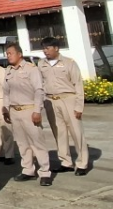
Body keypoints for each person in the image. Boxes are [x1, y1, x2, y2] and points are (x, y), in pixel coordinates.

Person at [38, 37, 90, 175]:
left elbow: (78, 84)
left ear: (56, 48)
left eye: (48, 48)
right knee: (59, 132)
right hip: (51, 100)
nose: (45, 51)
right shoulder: (41, 64)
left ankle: (82, 163)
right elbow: (40, 84)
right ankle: (65, 161)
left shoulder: (69, 63)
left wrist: (79, 106)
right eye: (44, 48)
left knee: (76, 132)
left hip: (68, 99)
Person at [3, 42, 52, 186]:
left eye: (11, 53)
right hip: (14, 111)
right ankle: (28, 170)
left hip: (29, 109)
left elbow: (39, 90)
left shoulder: (31, 69)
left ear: (19, 54)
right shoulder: (8, 70)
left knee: (37, 142)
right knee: (22, 143)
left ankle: (45, 172)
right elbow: (6, 92)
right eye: (7, 54)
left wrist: (37, 110)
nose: (8, 56)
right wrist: (5, 108)